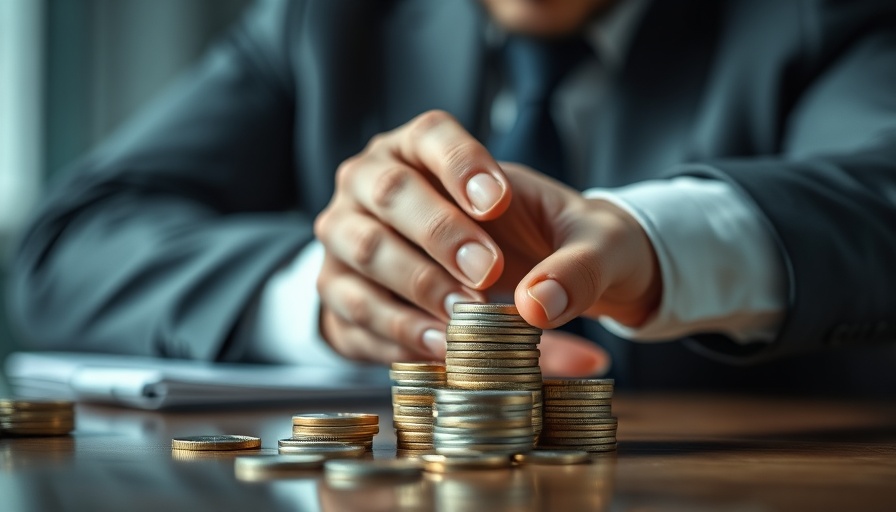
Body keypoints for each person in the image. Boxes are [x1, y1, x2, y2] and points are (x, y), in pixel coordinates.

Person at [8, 0, 896, 393]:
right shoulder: (327, 18)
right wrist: (324, 290)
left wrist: (659, 243)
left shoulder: (816, 13)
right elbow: (68, 246)